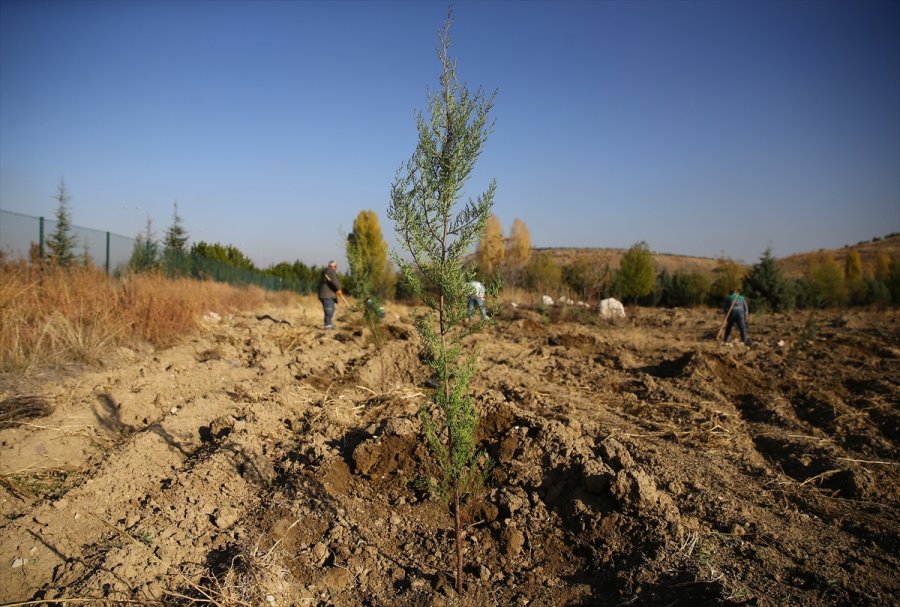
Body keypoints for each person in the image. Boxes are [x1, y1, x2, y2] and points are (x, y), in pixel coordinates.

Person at [318, 260, 341, 329]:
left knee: (331, 309)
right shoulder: (330, 272)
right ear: (331, 267)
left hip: (326, 294)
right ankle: (328, 325)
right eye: (334, 267)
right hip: (327, 295)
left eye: (335, 267)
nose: (335, 268)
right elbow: (334, 283)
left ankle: (329, 323)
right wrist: (338, 289)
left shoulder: (327, 272)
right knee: (329, 310)